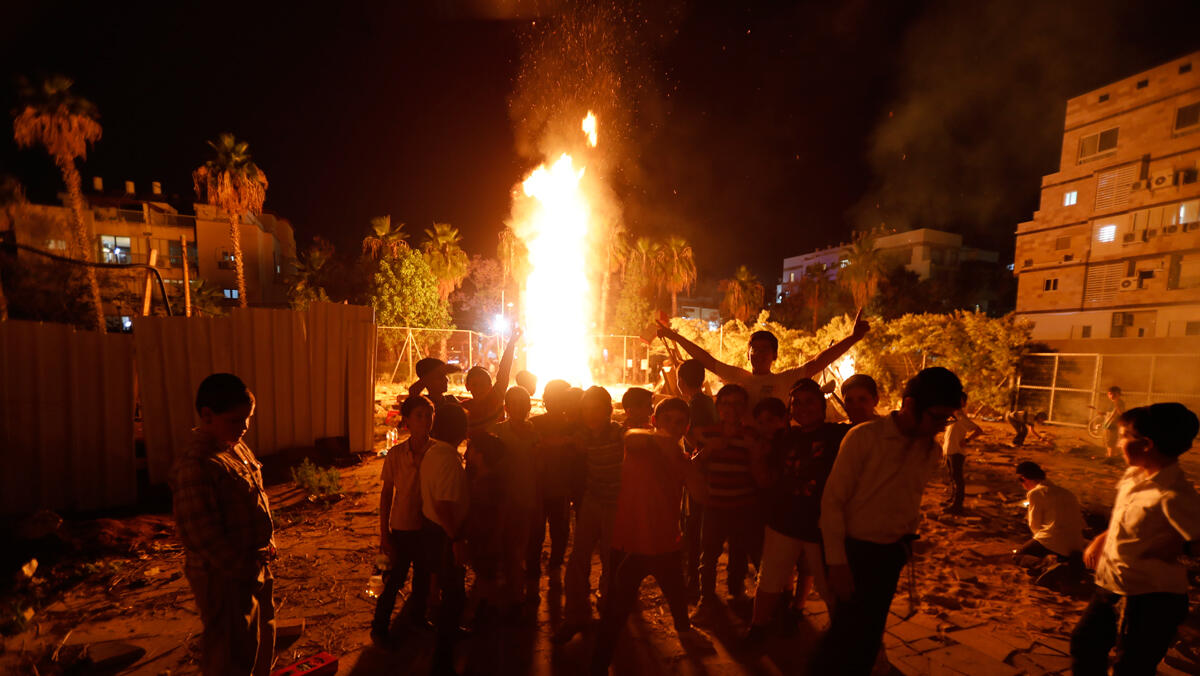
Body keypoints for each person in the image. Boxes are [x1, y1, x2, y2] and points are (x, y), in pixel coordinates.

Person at [811, 367, 965, 676]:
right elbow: (832, 502)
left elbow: (908, 499)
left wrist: (907, 540)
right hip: (854, 554)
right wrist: (837, 563)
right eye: (936, 417)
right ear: (910, 406)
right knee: (843, 638)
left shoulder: (930, 450)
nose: (939, 427)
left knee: (869, 636)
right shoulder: (864, 438)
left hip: (892, 555)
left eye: (945, 419)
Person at [1071, 403, 1200, 675]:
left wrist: (1183, 545)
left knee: (1131, 668)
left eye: (1123, 437)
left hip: (1151, 599)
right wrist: (1102, 538)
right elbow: (1127, 518)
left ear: (1147, 444)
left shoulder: (1174, 495)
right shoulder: (1135, 475)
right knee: (1084, 644)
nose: (1118, 444)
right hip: (1112, 586)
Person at [590, 398, 709, 674]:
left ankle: (685, 630)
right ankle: (597, 665)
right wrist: (665, 441)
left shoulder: (682, 460)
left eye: (680, 422)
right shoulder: (639, 446)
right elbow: (632, 435)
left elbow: (701, 495)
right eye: (667, 420)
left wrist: (698, 459)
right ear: (655, 421)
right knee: (614, 614)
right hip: (628, 544)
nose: (673, 426)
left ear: (687, 427)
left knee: (677, 598)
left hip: (666, 543)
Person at [171, 373, 275, 676]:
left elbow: (257, 496)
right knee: (230, 654)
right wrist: (244, 570)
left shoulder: (236, 448)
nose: (243, 427)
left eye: (247, 419)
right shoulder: (197, 464)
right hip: (224, 578)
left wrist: (267, 545)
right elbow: (203, 537)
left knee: (257, 638)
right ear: (207, 415)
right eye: (234, 420)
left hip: (253, 565)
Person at [745, 380, 848, 646]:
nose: (803, 407)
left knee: (829, 587)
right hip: (783, 522)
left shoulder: (840, 436)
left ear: (823, 405)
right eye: (797, 402)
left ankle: (843, 637)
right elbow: (767, 481)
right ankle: (757, 628)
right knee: (769, 578)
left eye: (810, 401)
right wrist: (756, 457)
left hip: (821, 526)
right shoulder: (784, 438)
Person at [657, 310, 869, 408]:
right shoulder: (736, 376)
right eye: (754, 350)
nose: (758, 354)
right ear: (747, 353)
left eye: (764, 350)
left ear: (775, 355)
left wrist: (853, 338)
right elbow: (706, 359)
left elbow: (818, 362)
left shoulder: (786, 380)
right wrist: (674, 336)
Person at [555, 387, 626, 642]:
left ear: (608, 410)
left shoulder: (619, 433)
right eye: (586, 409)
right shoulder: (583, 434)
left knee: (611, 561)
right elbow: (565, 443)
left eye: (596, 408)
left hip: (616, 505)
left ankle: (608, 615)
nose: (590, 414)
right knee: (577, 559)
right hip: (593, 501)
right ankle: (575, 616)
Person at [695, 384, 765, 610]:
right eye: (726, 403)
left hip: (744, 506)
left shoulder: (752, 435)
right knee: (709, 555)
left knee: (739, 552)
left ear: (745, 407)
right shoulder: (708, 433)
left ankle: (736, 593)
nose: (731, 408)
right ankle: (706, 598)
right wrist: (709, 450)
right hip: (714, 504)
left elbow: (758, 470)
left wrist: (753, 449)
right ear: (718, 406)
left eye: (737, 403)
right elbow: (694, 466)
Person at [371, 394, 434, 647]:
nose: (426, 420)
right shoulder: (396, 454)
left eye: (430, 415)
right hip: (401, 527)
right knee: (392, 579)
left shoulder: (438, 452)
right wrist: (384, 534)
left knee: (423, 577)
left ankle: (417, 619)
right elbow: (387, 494)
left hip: (429, 527)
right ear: (407, 421)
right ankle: (379, 628)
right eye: (419, 415)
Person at [419, 403, 471, 676]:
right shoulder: (448, 459)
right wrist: (457, 540)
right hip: (445, 533)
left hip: (433, 529)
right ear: (460, 429)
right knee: (455, 597)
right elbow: (443, 505)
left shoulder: (434, 452)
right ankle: (442, 662)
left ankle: (447, 641)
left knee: (449, 593)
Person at [528, 379, 577, 591]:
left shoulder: (572, 426)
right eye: (551, 399)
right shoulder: (536, 424)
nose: (554, 403)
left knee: (558, 531)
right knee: (539, 532)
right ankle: (536, 571)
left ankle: (550, 568)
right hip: (541, 489)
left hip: (558, 488)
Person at [495, 386, 539, 609]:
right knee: (508, 547)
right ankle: (511, 593)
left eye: (524, 402)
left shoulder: (535, 431)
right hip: (506, 499)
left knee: (524, 547)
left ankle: (519, 593)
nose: (521, 407)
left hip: (529, 497)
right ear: (507, 407)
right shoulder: (498, 432)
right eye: (516, 403)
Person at [676, 358, 717, 598]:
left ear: (681, 381)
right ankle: (695, 579)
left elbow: (699, 440)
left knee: (694, 527)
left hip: (701, 472)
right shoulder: (704, 401)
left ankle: (694, 581)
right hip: (703, 471)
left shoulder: (696, 405)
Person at [464, 433, 507, 624]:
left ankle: (487, 613)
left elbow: (497, 513)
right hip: (480, 536)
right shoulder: (482, 478)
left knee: (485, 576)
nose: (467, 453)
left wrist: (495, 538)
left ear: (480, 455)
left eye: (471, 449)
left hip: (486, 538)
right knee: (483, 574)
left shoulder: (488, 483)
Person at [1013, 462, 1085, 565]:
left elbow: (1035, 524)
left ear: (1024, 478)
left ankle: (1047, 565)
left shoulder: (1036, 493)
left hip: (1053, 540)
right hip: (1076, 544)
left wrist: (1036, 541)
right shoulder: (1067, 493)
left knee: (1019, 555)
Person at [462, 329, 521, 437]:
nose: (479, 388)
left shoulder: (495, 398)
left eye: (483, 384)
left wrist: (511, 344)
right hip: (475, 453)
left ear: (490, 386)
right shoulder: (463, 408)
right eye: (475, 384)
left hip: (498, 450)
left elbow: (504, 370)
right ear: (467, 387)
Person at [942, 397, 983, 514]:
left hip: (957, 452)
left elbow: (978, 430)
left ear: (963, 403)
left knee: (957, 479)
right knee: (952, 477)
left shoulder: (961, 417)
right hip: (949, 451)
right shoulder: (953, 417)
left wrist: (967, 440)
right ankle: (952, 499)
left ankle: (957, 505)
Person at [1102, 386, 1125, 458]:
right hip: (1109, 424)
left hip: (1115, 424)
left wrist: (1117, 405)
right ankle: (1110, 455)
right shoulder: (1111, 403)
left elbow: (1121, 413)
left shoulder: (1120, 402)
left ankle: (1111, 457)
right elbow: (1110, 413)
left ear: (1118, 394)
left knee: (1112, 441)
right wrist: (1104, 414)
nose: (1112, 396)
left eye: (1114, 394)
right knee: (1108, 441)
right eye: (1110, 394)